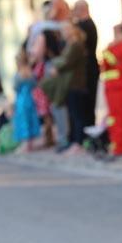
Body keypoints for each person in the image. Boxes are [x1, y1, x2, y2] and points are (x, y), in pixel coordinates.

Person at [41, 20, 86, 152]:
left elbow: (66, 61)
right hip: (70, 84)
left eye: (66, 30)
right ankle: (72, 141)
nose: (64, 33)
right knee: (71, 114)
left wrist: (56, 66)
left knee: (77, 115)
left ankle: (78, 142)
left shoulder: (76, 45)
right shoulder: (69, 45)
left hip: (75, 84)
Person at [99, 23, 122, 157]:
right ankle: (116, 145)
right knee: (113, 117)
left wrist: (107, 51)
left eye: (118, 33)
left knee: (118, 117)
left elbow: (117, 63)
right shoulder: (114, 46)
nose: (115, 36)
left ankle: (121, 148)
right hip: (111, 86)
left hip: (117, 86)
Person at [72, 0, 99, 130]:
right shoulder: (84, 25)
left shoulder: (86, 26)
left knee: (88, 103)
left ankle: (89, 131)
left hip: (89, 70)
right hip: (88, 68)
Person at [12, 49, 42, 149]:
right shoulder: (30, 73)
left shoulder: (18, 74)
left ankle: (25, 143)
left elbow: (15, 87)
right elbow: (34, 85)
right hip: (30, 98)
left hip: (21, 99)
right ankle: (31, 143)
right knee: (31, 118)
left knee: (22, 119)